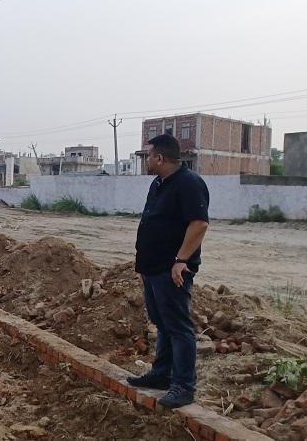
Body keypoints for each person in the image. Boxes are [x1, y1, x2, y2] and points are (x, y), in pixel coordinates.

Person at [127, 133, 210, 409]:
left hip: (171, 269)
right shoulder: (158, 183)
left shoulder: (189, 184)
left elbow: (199, 224)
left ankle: (184, 386)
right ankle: (161, 374)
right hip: (152, 267)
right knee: (162, 323)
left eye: (148, 156)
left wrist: (181, 260)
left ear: (160, 158)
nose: (146, 160)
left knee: (178, 327)